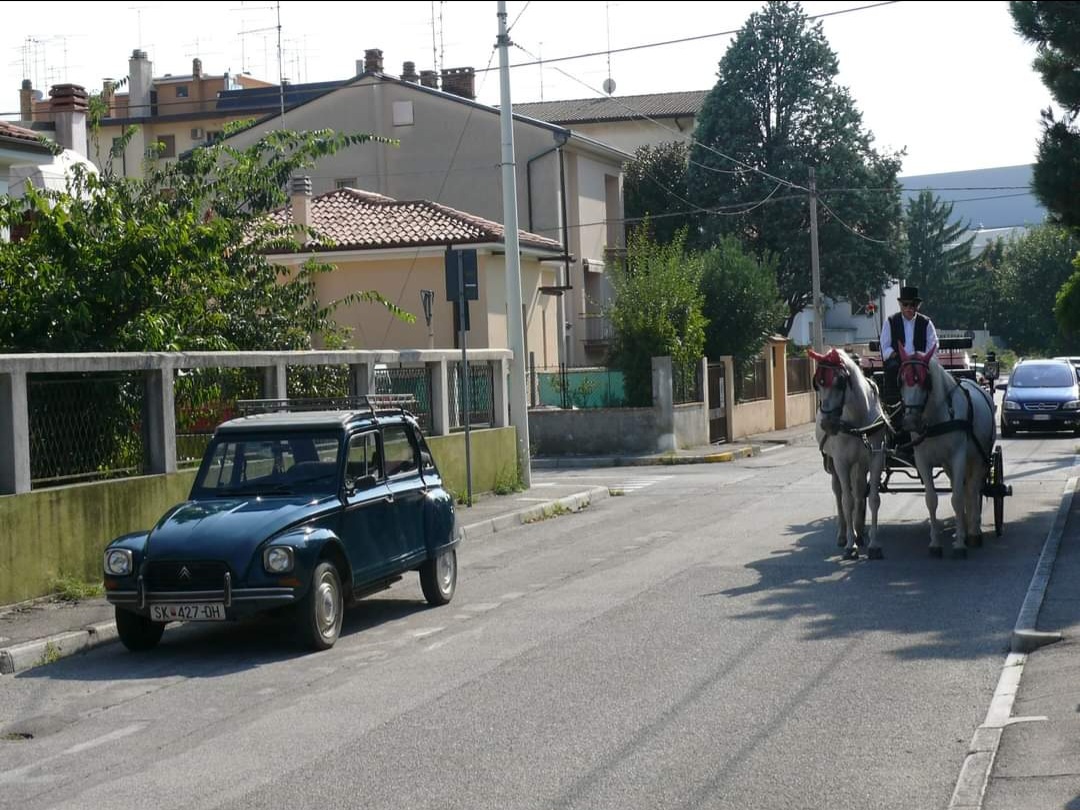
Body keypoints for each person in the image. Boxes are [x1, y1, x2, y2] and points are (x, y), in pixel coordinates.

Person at [880, 286, 939, 411]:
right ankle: (893, 406)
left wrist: (922, 358)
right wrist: (895, 355)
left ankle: (933, 406)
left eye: (912, 305)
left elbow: (933, 345)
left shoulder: (926, 322)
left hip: (920, 362)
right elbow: (885, 347)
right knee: (892, 369)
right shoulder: (890, 321)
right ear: (900, 305)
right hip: (899, 361)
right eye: (905, 304)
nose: (908, 308)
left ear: (917, 306)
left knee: (932, 375)